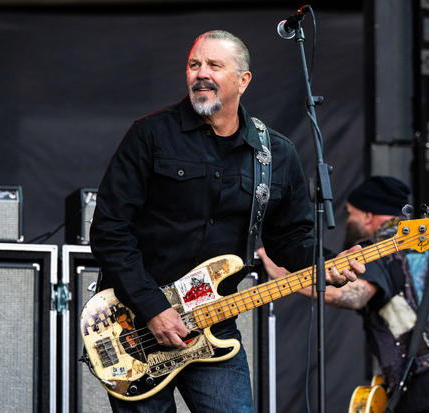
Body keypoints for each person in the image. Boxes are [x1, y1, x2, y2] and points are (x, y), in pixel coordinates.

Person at [89, 29, 364, 413]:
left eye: (214, 65)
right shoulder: (150, 135)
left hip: (213, 323)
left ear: (243, 80)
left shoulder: (275, 153)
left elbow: (290, 236)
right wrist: (153, 308)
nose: (201, 73)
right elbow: (108, 231)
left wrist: (325, 263)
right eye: (194, 65)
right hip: (137, 324)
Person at [257, 176, 429, 413]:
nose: (348, 220)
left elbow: (353, 294)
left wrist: (282, 273)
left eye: (350, 213)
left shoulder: (379, 249)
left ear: (368, 216)